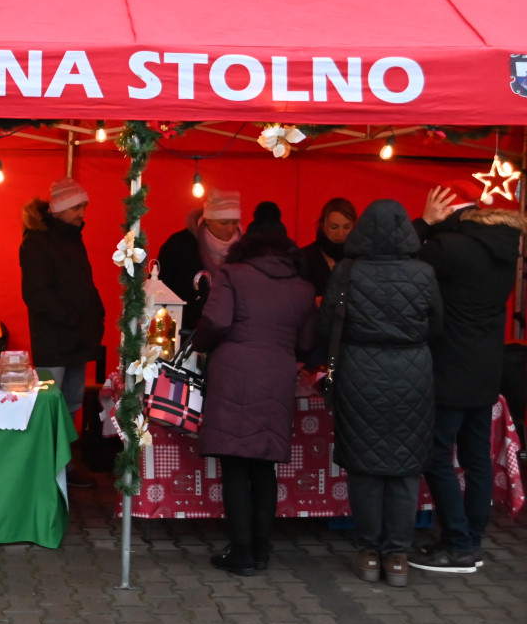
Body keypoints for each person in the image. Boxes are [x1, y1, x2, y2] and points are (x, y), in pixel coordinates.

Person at [318, 199, 442, 587]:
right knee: (405, 469)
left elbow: (327, 327)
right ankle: (398, 557)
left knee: (365, 468)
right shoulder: (424, 272)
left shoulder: (347, 271)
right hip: (413, 375)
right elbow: (437, 325)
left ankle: (369, 553)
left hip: (359, 373)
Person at [191, 201, 317, 575]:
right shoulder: (303, 287)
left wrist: (198, 345)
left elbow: (215, 321)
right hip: (277, 375)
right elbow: (308, 341)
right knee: (263, 467)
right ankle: (261, 550)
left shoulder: (233, 274)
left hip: (234, 373)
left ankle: (241, 553)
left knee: (234, 465)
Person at [407, 185, 527, 574]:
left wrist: (424, 221)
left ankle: (457, 544)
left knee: (434, 457)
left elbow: (400, 255)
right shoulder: (505, 250)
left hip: (451, 372)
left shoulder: (451, 248)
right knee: (477, 460)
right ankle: (470, 540)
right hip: (486, 372)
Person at [20, 177, 105, 487]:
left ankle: (64, 469)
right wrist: (71, 318)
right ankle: (46, 470)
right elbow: (36, 293)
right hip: (55, 339)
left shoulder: (72, 238)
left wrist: (95, 312)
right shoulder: (36, 242)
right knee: (50, 406)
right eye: (78, 207)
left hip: (77, 337)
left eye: (83, 206)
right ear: (60, 209)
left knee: (71, 405)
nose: (82, 212)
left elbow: (82, 283)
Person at [156, 189, 243, 330]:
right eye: (224, 223)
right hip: (183, 330)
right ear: (208, 219)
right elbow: (159, 288)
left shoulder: (243, 249)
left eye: (235, 222)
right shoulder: (180, 244)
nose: (230, 229)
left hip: (230, 331)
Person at [300, 197, 357, 297]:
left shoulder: (360, 258)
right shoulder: (304, 257)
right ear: (323, 225)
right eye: (334, 227)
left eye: (346, 227)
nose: (341, 233)